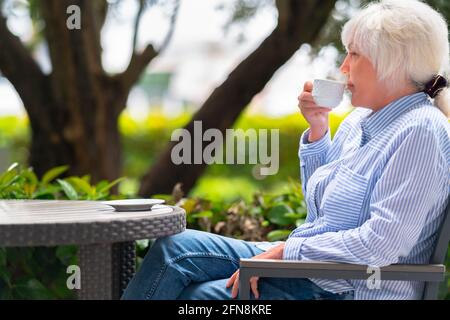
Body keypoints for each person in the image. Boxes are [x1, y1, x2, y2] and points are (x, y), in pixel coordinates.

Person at [122, 0, 450, 300]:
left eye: (355, 54)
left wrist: (283, 254)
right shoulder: (360, 120)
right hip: (314, 272)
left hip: (350, 288)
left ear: (391, 61)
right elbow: (320, 211)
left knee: (199, 296)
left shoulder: (420, 131)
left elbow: (382, 244)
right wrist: (319, 127)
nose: (344, 67)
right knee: (173, 249)